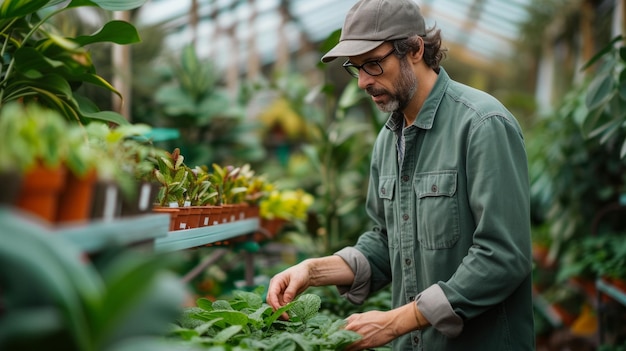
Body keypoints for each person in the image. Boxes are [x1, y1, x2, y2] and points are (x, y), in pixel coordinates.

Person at [266, 0, 535, 349]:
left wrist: (396, 323)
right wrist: (313, 271)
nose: (363, 81)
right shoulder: (387, 140)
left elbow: (503, 256)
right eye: (356, 68)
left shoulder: (482, 126)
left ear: (415, 49)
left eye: (374, 64)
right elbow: (387, 241)